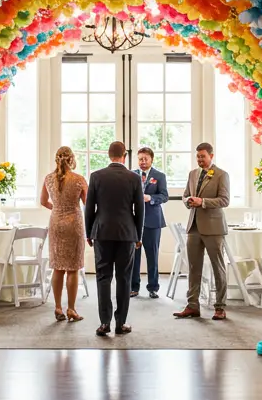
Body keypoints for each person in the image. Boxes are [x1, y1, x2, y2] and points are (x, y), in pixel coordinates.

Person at [85, 140, 145, 337]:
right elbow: (140, 210)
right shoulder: (134, 178)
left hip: (102, 233)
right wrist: (138, 235)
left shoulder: (96, 176)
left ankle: (104, 323)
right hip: (127, 234)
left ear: (108, 155)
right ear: (124, 156)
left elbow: (89, 208)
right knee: (124, 278)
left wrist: (89, 232)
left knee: (103, 278)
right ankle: (121, 323)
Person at [174, 142, 230, 321]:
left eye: (203, 156)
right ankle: (192, 306)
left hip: (213, 228)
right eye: (197, 156)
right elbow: (184, 195)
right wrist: (188, 201)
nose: (199, 159)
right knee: (193, 268)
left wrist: (203, 202)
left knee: (218, 268)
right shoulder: (192, 174)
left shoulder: (221, 175)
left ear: (211, 156)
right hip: (194, 227)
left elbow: (224, 200)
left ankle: (220, 307)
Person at [40, 146, 87, 323]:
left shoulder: (48, 179)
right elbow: (87, 203)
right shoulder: (79, 179)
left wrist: (57, 208)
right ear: (72, 159)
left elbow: (43, 201)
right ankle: (71, 309)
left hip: (56, 223)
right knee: (73, 268)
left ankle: (58, 307)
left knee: (57, 266)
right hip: (74, 223)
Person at [131, 146, 168, 298]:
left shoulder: (159, 176)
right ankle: (134, 287)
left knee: (152, 255)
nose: (143, 162)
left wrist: (151, 198)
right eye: (140, 159)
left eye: (145, 159)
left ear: (152, 159)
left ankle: (153, 287)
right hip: (134, 221)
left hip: (153, 221)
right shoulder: (131, 175)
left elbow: (164, 196)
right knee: (134, 257)